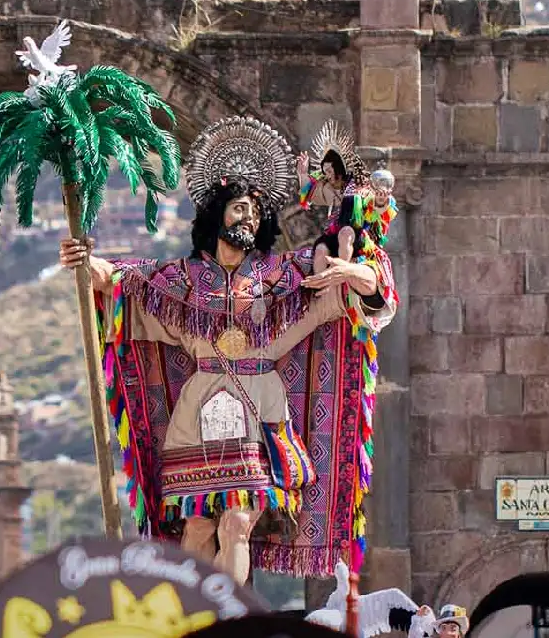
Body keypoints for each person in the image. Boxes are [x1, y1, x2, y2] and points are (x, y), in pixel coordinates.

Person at [58, 116, 398, 585]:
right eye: (240, 209)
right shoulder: (180, 279)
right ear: (217, 213)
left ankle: (232, 622)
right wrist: (83, 260)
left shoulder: (283, 276)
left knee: (239, 520)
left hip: (262, 408)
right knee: (197, 525)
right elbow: (121, 282)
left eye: (255, 213)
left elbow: (369, 283)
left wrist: (352, 273)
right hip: (199, 410)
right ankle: (191, 618)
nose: (249, 219)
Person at [296, 120, 395, 276]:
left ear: (339, 169)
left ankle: (341, 272)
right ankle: (318, 286)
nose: (327, 176)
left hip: (356, 237)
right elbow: (312, 195)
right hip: (334, 234)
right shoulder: (332, 189)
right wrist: (302, 174)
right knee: (321, 248)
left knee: (346, 232)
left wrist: (381, 201)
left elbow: (375, 207)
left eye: (329, 171)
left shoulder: (360, 187)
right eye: (325, 171)